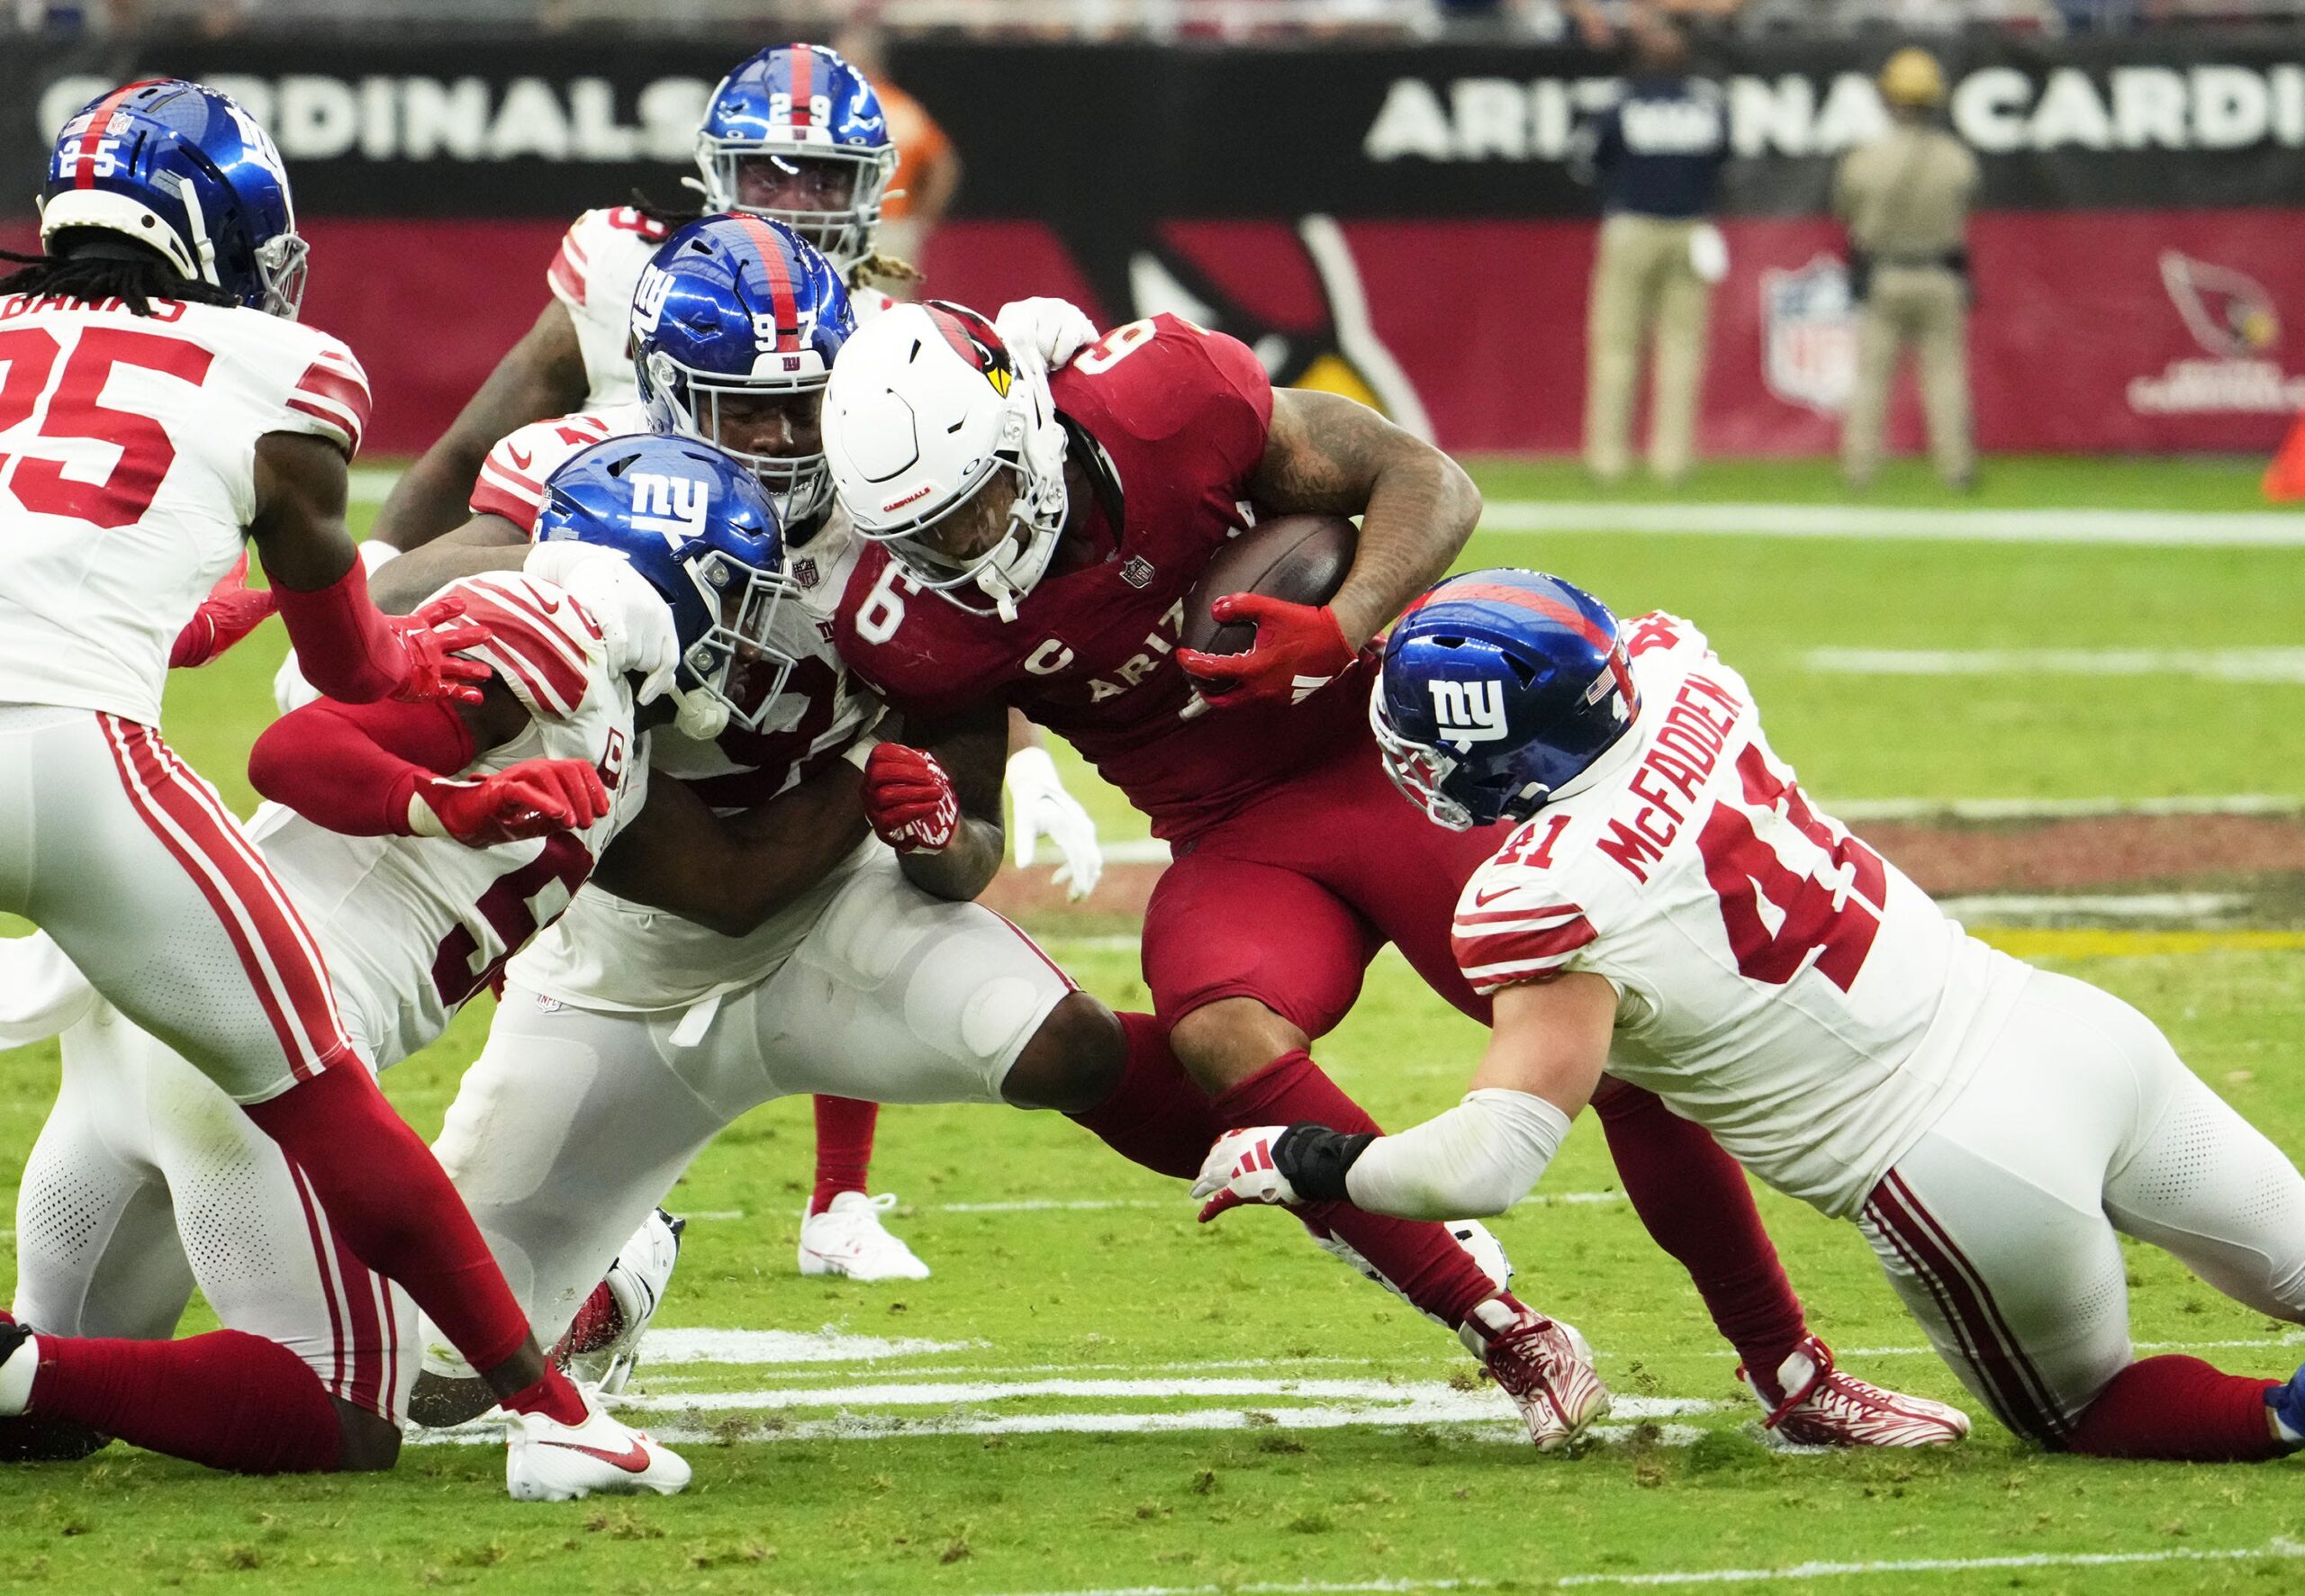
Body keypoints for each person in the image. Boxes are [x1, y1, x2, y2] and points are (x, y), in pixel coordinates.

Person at [818, 302, 1964, 1447]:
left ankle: (1790, 1374)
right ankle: (1503, 1328)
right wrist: (933, 836)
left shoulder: (1160, 404)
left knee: (1611, 1040)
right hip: (1232, 828)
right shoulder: (910, 611)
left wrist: (1343, 620)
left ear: (1023, 424)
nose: (968, 544)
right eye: (933, 534)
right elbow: (969, 842)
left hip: (1409, 760)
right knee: (1220, 1028)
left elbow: (1430, 480)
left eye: (981, 502)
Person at [1198, 568, 2305, 1462]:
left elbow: (1486, 1166)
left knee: (2082, 1410)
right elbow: (1560, 652)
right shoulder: (1680, 671)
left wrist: (1306, 1157)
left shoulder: (1540, 898)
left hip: (1955, 1165)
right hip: (2069, 1033)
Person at [0, 77, 681, 1495]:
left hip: (85, 794)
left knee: (57, 1409)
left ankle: (27, 1368)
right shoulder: (278, 366)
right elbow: (348, 669)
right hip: (73, 762)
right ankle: (548, 1399)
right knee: (324, 1116)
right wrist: (409, 709)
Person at [339, 41, 1106, 1271]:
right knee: (567, 796)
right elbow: (474, 463)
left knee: (831, 806)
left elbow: (962, 582)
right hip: (621, 599)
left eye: (823, 179)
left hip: (810, 653)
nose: (795, 200)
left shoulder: (882, 345)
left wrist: (1014, 757)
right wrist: (364, 598)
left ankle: (837, 1194)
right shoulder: (607, 329)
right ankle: (580, 1161)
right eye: (770, 171)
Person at [0, 432, 810, 1491]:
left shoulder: (611, 719)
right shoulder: (545, 641)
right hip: (259, 1039)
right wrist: (445, 801)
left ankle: (19, 1369)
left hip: (158, 1016)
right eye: (732, 597)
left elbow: (727, 888)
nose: (746, 635)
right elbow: (291, 755)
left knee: (50, 1411)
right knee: (344, 1415)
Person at [1574, 14, 1728, 484]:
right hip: (1688, 229)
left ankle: (1607, 458)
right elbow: (1722, 163)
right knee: (1681, 347)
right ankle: (1672, 459)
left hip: (1633, 226)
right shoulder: (1708, 104)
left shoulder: (1622, 103)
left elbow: (1594, 161)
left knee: (1617, 345)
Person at [1835, 47, 1979, 491]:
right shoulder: (1956, 158)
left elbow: (1846, 211)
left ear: (1888, 99)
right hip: (1939, 275)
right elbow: (1965, 202)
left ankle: (1859, 468)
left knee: (1872, 378)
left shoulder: (1864, 159)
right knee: (1945, 376)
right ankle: (1956, 468)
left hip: (1885, 275)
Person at [834, 24, 963, 293]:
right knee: (895, 314)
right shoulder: (905, 109)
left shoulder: (840, 110)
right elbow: (945, 166)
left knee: (843, 309)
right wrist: (922, 218)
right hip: (897, 230)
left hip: (846, 227)